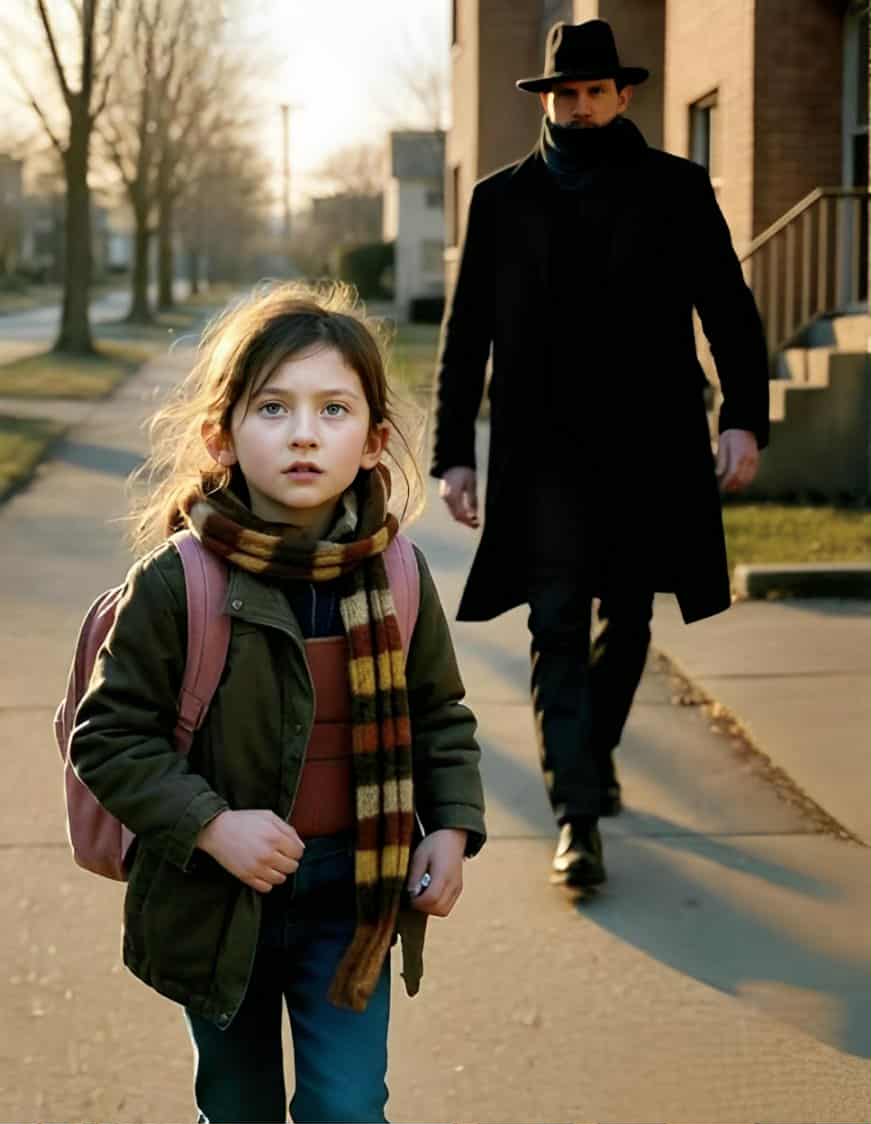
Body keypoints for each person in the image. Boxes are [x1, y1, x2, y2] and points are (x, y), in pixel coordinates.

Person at [71, 283, 486, 1124]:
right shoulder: (177, 582)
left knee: (347, 1106)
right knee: (236, 1105)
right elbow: (109, 737)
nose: (304, 432)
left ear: (372, 442)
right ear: (220, 436)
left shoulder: (397, 575)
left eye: (333, 409)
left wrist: (449, 823)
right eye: (273, 408)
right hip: (216, 897)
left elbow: (439, 713)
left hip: (354, 895)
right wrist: (212, 823)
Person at [431, 19, 768, 892]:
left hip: (651, 444)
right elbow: (464, 334)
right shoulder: (501, 199)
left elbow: (728, 310)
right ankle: (576, 819)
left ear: (623, 96)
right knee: (554, 629)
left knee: (629, 624)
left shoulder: (677, 189)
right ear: (546, 100)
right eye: (563, 94)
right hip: (539, 455)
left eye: (592, 92)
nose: (577, 108)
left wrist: (743, 419)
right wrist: (453, 454)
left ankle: (588, 757)